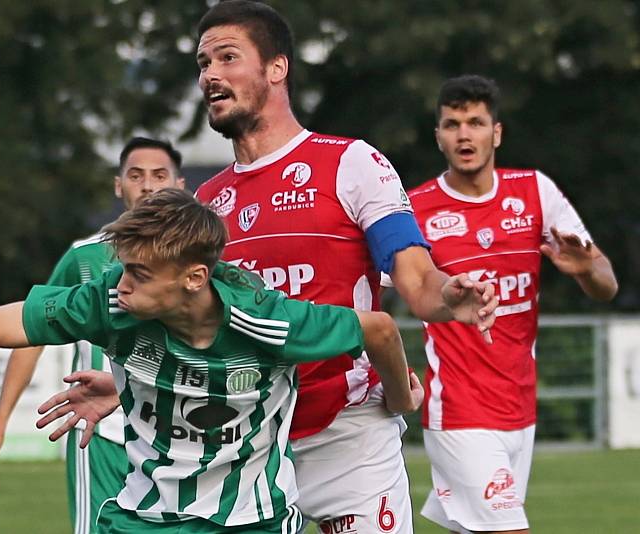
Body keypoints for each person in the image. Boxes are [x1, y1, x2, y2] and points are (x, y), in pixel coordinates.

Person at [0, 188, 422, 533]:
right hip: (144, 519)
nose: (122, 284)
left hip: (251, 523)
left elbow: (379, 329)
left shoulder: (269, 321)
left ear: (195, 277)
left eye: (140, 274)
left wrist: (398, 400)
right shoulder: (109, 301)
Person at [193, 2, 498, 533]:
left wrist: (450, 295)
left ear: (276, 68)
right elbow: (191, 323)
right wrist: (126, 378)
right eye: (202, 63)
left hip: (349, 435)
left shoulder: (350, 163)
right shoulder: (205, 202)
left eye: (227, 57)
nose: (210, 74)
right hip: (246, 443)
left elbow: (417, 279)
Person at [381, 74, 618, 534]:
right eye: (452, 124)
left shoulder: (535, 192)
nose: (464, 134)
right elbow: (373, 290)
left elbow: (605, 283)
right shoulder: (415, 210)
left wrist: (587, 269)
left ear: (497, 132)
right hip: (458, 409)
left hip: (519, 410)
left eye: (475, 122)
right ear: (438, 136)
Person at [0, 137, 186, 534]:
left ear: (179, 187)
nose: (147, 186)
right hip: (101, 434)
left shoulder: (198, 262)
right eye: (136, 175)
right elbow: (33, 334)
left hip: (176, 434)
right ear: (119, 186)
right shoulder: (85, 257)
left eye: (159, 176)